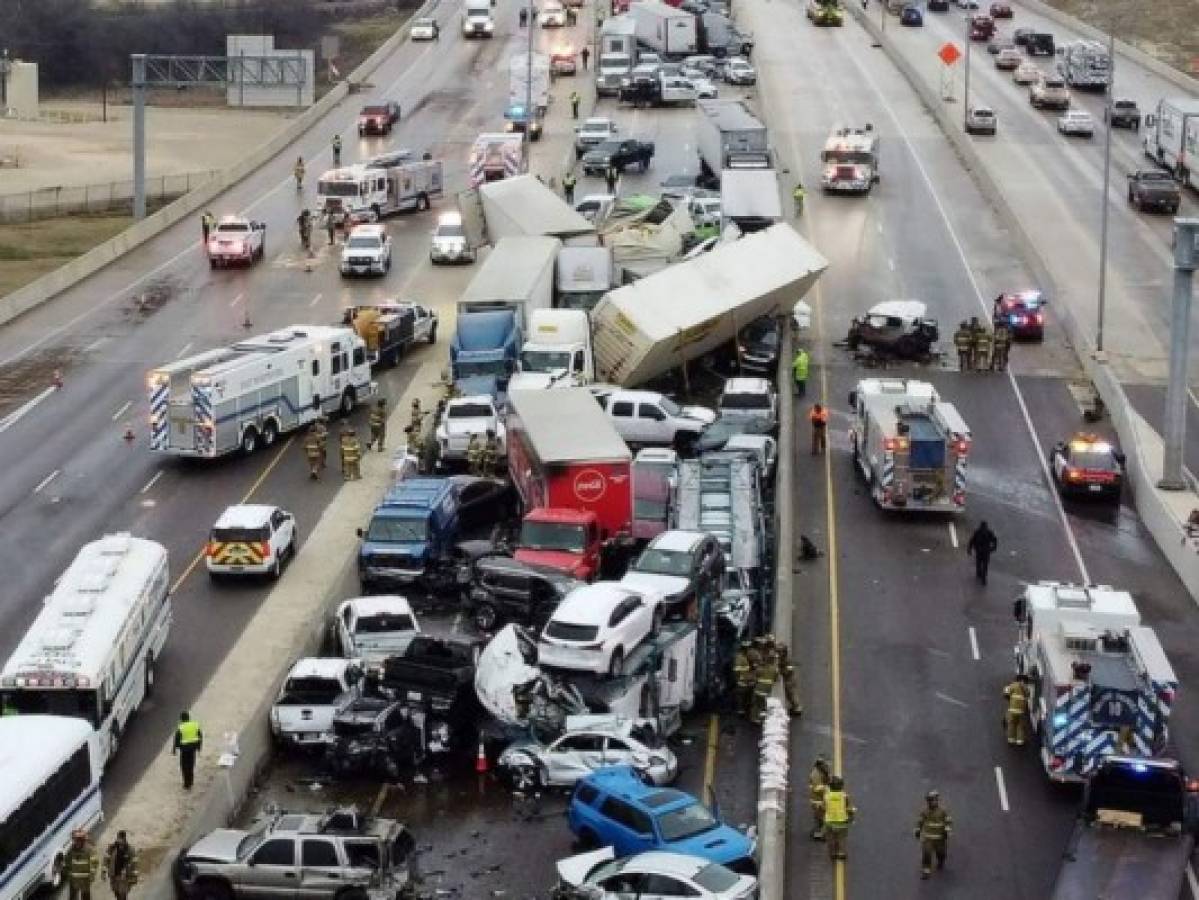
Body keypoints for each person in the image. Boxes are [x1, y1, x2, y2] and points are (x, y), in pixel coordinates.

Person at [914, 791, 952, 879]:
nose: (933, 802)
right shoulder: (925, 812)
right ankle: (926, 870)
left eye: (935, 800)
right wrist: (917, 830)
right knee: (926, 853)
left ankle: (941, 861)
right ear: (928, 802)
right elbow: (920, 822)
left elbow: (948, 821)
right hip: (928, 838)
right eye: (931, 800)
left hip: (940, 838)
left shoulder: (943, 811)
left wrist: (947, 829)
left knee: (941, 853)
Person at [823, 775, 856, 861]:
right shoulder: (844, 796)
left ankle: (832, 853)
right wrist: (851, 816)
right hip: (842, 822)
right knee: (841, 838)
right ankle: (841, 853)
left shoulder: (827, 796)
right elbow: (849, 808)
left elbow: (824, 807)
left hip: (829, 822)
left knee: (831, 838)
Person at [103, 831, 139, 900]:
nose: (119, 840)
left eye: (121, 838)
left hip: (124, 876)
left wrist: (134, 876)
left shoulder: (130, 849)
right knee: (116, 892)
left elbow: (134, 863)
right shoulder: (112, 848)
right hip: (113, 875)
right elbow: (106, 859)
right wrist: (104, 872)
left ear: (125, 838)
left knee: (123, 894)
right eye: (118, 838)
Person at [64, 830, 99, 900]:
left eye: (78, 840)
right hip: (74, 879)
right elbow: (67, 863)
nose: (76, 842)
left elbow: (94, 863)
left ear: (82, 840)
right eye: (75, 840)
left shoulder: (89, 850)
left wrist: (91, 875)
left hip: (85, 879)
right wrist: (68, 874)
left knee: (85, 897)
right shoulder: (71, 850)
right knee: (72, 897)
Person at [173, 711, 203, 789]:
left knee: (184, 766)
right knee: (191, 765)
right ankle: (191, 781)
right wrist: (199, 747)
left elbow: (176, 739)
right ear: (189, 718)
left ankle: (186, 783)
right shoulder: (195, 725)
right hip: (193, 749)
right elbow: (200, 736)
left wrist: (175, 749)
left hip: (184, 750)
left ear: (181, 719)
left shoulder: (181, 727)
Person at [751, 637, 778, 723]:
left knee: (756, 704)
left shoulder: (761, 669)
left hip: (759, 689)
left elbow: (755, 675)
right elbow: (776, 679)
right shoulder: (774, 669)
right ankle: (763, 715)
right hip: (767, 690)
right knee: (763, 703)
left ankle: (755, 718)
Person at [966, 520, 998, 584]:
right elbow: (994, 540)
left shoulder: (978, 532)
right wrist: (993, 548)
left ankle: (981, 575)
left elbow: (971, 541)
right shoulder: (988, 532)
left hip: (981, 551)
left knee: (980, 564)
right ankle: (982, 576)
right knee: (983, 564)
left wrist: (969, 549)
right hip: (984, 551)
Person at [777, 641, 802, 716]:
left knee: (791, 693)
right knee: (788, 694)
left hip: (790, 680)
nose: (779, 653)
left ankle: (797, 707)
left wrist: (781, 671)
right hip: (787, 679)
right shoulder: (782, 658)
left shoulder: (788, 660)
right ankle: (794, 706)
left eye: (780, 652)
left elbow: (788, 670)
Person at [809, 756, 831, 840]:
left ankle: (819, 832)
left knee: (821, 817)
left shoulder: (823, 771)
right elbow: (816, 788)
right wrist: (826, 788)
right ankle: (821, 834)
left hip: (822, 799)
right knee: (821, 817)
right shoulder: (815, 775)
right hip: (817, 800)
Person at [1003, 676, 1029, 746]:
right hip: (1021, 711)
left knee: (1011, 724)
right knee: (1020, 726)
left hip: (1012, 710)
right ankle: (1020, 742)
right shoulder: (1026, 688)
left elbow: (1006, 692)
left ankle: (1011, 740)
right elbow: (1028, 695)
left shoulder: (1014, 685)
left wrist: (1008, 698)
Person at [732, 641, 755, 717]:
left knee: (746, 697)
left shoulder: (745, 657)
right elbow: (737, 670)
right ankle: (740, 710)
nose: (748, 650)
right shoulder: (740, 658)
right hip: (742, 681)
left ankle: (745, 709)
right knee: (741, 697)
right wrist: (738, 679)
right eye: (747, 648)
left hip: (747, 680)